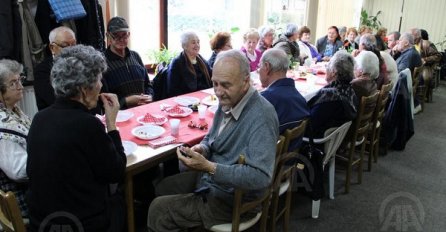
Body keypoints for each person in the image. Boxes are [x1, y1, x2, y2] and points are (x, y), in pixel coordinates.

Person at [147, 49, 279, 231]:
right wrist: (203, 148)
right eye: (215, 83)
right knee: (162, 187)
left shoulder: (262, 115)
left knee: (157, 209)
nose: (218, 92)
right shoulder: (229, 101)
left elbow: (261, 177)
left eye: (225, 85)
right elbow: (212, 137)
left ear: (246, 81)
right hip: (214, 181)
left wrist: (210, 167)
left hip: (233, 200)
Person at [26, 45, 127, 231]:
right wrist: (111, 123)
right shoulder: (88, 125)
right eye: (98, 79)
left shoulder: (39, 119)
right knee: (120, 203)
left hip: (41, 223)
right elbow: (116, 172)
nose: (101, 85)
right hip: (80, 224)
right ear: (83, 88)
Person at [259, 49, 309, 150]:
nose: (258, 71)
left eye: (259, 67)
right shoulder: (300, 99)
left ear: (267, 67)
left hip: (269, 162)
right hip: (290, 158)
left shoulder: (265, 101)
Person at [0, 59, 31, 218]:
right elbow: (19, 171)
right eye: (13, 83)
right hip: (22, 201)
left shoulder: (13, 110)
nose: (20, 86)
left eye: (20, 80)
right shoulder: (2, 124)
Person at [102, 16, 154, 109]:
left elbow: (148, 85)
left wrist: (150, 96)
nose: (121, 39)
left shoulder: (135, 56)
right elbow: (102, 97)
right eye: (116, 36)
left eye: (124, 35)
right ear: (108, 36)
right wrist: (125, 101)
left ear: (129, 34)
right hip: (120, 116)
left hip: (144, 110)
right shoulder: (102, 62)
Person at [307, 51, 358, 138]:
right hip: (334, 138)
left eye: (327, 66)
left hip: (316, 140)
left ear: (334, 72)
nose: (326, 69)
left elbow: (309, 122)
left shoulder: (330, 96)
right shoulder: (350, 90)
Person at [33, 26, 77, 111]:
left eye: (74, 44)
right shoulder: (42, 70)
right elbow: (52, 99)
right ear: (52, 47)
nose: (72, 49)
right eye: (65, 45)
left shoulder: (80, 63)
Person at [167, 31, 212, 97]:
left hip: (205, 98)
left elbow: (212, 76)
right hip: (187, 100)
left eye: (198, 42)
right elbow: (172, 90)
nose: (197, 45)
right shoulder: (177, 62)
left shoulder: (201, 59)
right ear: (184, 46)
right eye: (193, 42)